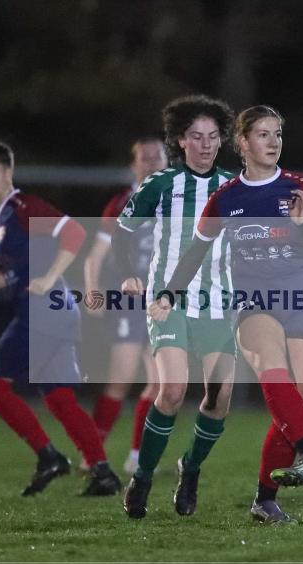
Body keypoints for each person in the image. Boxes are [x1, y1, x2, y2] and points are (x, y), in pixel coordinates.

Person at [152, 105, 303, 524]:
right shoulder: (227, 198)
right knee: (273, 371)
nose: (273, 142)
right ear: (241, 142)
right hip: (254, 300)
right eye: (263, 134)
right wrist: (169, 294)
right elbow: (195, 253)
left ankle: (264, 498)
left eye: (277, 134)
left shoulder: (301, 188)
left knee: (295, 401)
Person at [0, 140, 122, 497]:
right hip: (53, 314)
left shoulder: (23, 206)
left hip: (44, 313)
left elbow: (74, 232)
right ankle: (102, 472)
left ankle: (48, 457)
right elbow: (11, 275)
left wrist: (49, 277)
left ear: (9, 173)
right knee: (59, 398)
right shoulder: (4, 219)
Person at [112, 95, 236, 519]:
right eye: (196, 137)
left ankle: (190, 469)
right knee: (172, 390)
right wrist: (129, 272)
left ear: (222, 141)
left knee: (219, 401)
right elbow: (120, 235)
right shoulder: (159, 185)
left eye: (213, 137)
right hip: (168, 301)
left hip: (219, 302)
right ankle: (143, 476)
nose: (205, 145)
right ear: (181, 141)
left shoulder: (233, 188)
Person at [82, 137, 167, 474]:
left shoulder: (176, 199)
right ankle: (92, 454)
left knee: (161, 384)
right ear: (134, 165)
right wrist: (92, 290)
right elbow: (96, 256)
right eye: (143, 158)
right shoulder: (120, 204)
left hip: (163, 302)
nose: (150, 163)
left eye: (156, 157)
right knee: (120, 381)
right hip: (129, 302)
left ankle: (136, 457)